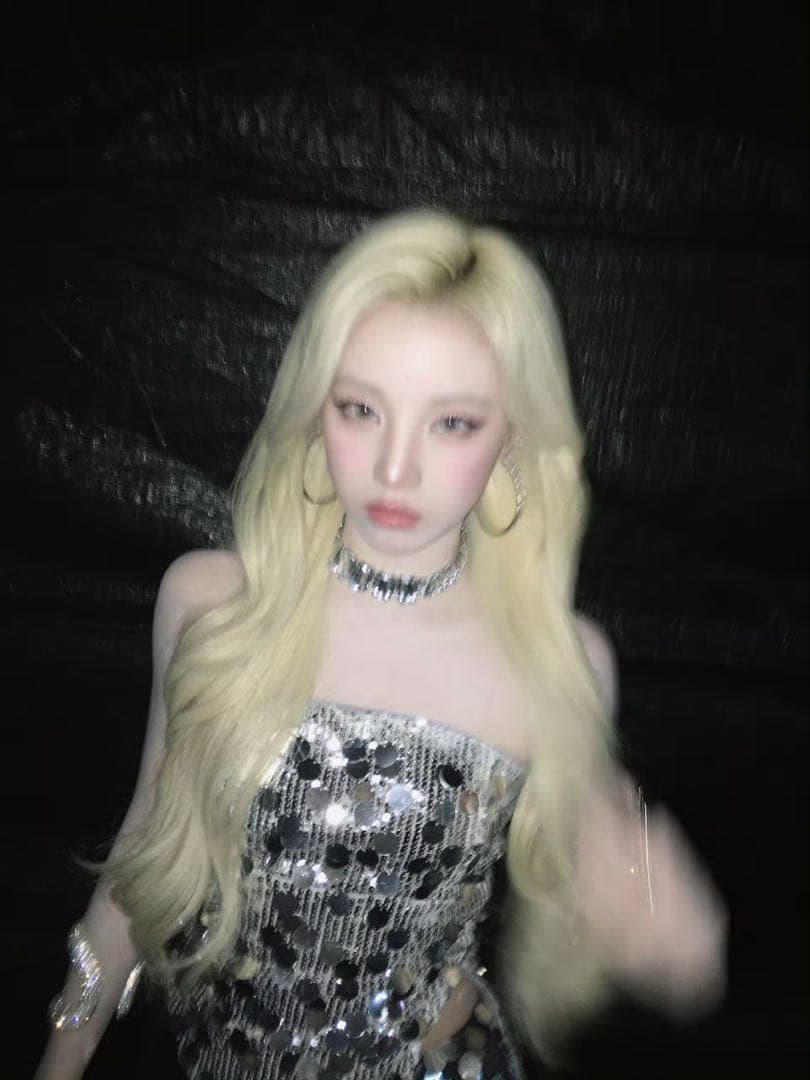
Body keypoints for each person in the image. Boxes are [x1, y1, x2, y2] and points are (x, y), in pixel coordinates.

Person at [35, 210, 726, 1080]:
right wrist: (66, 1044)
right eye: (361, 409)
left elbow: (628, 918)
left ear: (513, 434)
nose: (396, 469)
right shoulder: (212, 606)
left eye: (452, 423)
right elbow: (145, 854)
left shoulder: (559, 663)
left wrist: (661, 925)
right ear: (315, 407)